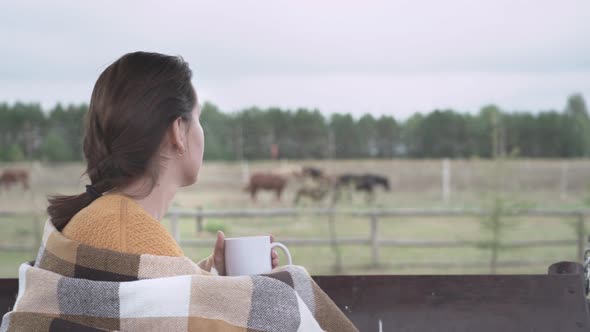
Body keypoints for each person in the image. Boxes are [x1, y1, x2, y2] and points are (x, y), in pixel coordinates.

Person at [0, 52, 357, 332]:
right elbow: (169, 309)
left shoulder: (92, 222)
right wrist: (253, 293)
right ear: (178, 132)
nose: (201, 130)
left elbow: (144, 300)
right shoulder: (124, 231)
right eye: (198, 118)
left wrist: (213, 279)